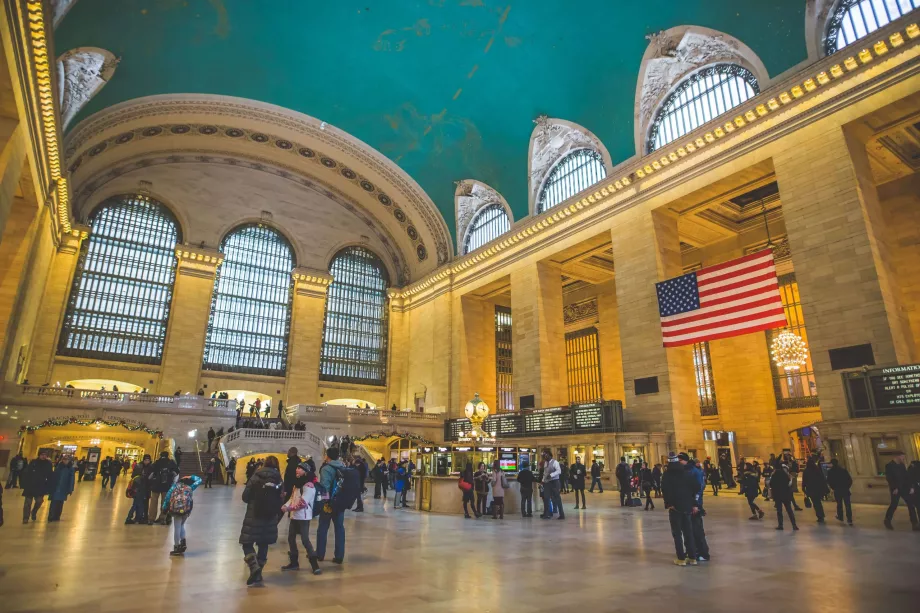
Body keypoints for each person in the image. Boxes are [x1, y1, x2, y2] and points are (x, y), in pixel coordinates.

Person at [240, 455, 284, 586]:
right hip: (270, 516)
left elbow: (245, 497)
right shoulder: (279, 479)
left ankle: (254, 568)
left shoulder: (256, 476)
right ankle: (258, 572)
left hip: (254, 514)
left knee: (247, 543)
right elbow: (281, 499)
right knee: (263, 543)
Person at [281, 462, 322, 574]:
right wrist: (286, 505)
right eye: (297, 467)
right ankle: (294, 563)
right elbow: (293, 498)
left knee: (305, 540)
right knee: (291, 538)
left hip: (304, 517)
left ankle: (315, 565)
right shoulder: (297, 485)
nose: (297, 470)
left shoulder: (308, 486)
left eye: (300, 468)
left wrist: (289, 509)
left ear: (305, 471)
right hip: (295, 516)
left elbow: (303, 503)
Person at [661, 452, 698, 566]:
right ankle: (692, 557)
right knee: (688, 532)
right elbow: (695, 487)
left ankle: (681, 558)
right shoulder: (686, 473)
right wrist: (694, 503)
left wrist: (669, 503)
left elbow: (665, 490)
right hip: (687, 506)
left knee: (677, 533)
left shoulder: (667, 475)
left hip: (675, 507)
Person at [316, 447, 347, 564]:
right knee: (339, 528)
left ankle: (320, 554)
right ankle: (339, 556)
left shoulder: (326, 469)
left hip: (329, 503)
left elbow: (325, 487)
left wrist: (324, 502)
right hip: (341, 502)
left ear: (327, 456)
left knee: (323, 528)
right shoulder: (343, 467)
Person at [165, 474, 202, 555]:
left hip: (175, 510)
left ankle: (176, 546)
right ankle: (183, 542)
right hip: (186, 510)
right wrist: (191, 477)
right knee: (182, 525)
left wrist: (164, 508)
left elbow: (167, 497)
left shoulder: (174, 487)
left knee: (177, 527)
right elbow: (199, 480)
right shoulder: (190, 488)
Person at [883, 451, 918, 531]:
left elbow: (906, 476)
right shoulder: (889, 466)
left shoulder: (902, 465)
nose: (903, 458)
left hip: (904, 488)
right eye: (902, 456)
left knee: (910, 504)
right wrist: (894, 487)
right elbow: (889, 478)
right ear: (897, 456)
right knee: (894, 505)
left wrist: (911, 487)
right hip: (896, 489)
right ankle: (887, 520)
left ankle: (914, 523)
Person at [21, 449, 53, 523]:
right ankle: (25, 518)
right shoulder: (33, 462)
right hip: (30, 485)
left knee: (39, 501)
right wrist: (24, 483)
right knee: (27, 503)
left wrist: (49, 485)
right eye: (42, 455)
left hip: (40, 486)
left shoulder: (48, 464)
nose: (43, 456)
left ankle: (34, 511)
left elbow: (50, 475)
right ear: (39, 455)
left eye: (45, 455)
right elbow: (27, 472)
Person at [148, 451, 179, 525]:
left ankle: (151, 519)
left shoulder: (156, 462)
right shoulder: (171, 462)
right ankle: (163, 518)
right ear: (168, 455)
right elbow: (177, 472)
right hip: (166, 485)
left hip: (156, 485)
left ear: (160, 455)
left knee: (153, 502)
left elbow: (151, 472)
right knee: (164, 502)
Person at [769, 461, 798, 531]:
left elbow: (771, 484)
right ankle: (794, 525)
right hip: (786, 495)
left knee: (779, 511)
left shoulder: (774, 474)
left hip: (778, 495)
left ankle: (780, 525)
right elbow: (789, 483)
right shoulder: (785, 474)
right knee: (789, 510)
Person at [47, 454, 76, 522]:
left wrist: (70, 489)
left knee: (60, 503)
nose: (65, 461)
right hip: (56, 487)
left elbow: (72, 479)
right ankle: (51, 516)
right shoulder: (59, 467)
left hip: (63, 488)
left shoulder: (70, 469)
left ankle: (57, 516)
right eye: (64, 459)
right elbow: (53, 476)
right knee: (54, 502)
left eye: (67, 460)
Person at [125, 454, 153, 524]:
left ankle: (142, 517)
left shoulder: (151, 467)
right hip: (138, 488)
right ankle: (134, 518)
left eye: (148, 460)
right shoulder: (139, 466)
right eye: (145, 460)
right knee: (136, 504)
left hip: (146, 488)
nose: (147, 462)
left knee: (143, 503)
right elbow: (133, 477)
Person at [826, 458, 853, 525]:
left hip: (837, 490)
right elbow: (849, 480)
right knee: (848, 505)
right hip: (845, 489)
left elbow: (829, 481)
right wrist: (847, 487)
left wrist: (833, 488)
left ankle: (840, 516)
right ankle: (849, 519)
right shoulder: (843, 470)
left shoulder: (830, 472)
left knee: (839, 504)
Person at [802, 456, 828, 524]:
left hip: (810, 489)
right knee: (818, 502)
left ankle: (820, 516)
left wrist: (803, 488)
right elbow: (822, 479)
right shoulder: (817, 470)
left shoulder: (806, 471)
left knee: (815, 503)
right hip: (818, 489)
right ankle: (821, 515)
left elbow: (804, 481)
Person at [540, 449, 564, 520]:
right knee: (546, 498)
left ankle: (562, 514)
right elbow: (545, 473)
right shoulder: (545, 463)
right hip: (547, 483)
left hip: (554, 482)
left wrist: (552, 475)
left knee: (557, 498)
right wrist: (542, 481)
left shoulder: (555, 462)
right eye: (544, 456)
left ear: (550, 455)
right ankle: (547, 514)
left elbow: (559, 471)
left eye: (546, 455)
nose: (545, 457)